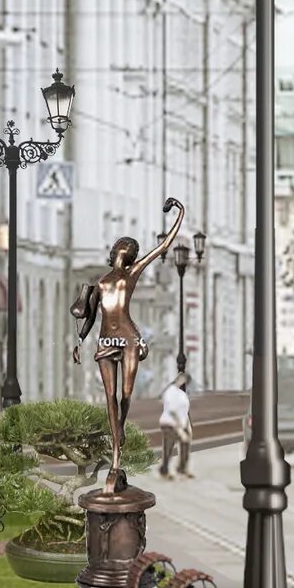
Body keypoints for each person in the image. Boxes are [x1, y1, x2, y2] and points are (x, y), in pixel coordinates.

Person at [71, 198, 184, 488]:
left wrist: (179, 213)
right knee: (108, 396)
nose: (129, 250)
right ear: (117, 250)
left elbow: (162, 247)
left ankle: (118, 440)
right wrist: (79, 341)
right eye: (126, 246)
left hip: (129, 338)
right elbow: (90, 317)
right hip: (105, 339)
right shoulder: (99, 283)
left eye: (132, 249)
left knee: (125, 395)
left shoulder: (131, 274)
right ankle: (117, 445)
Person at [156, 373, 194, 481]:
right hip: (169, 424)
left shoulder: (182, 394)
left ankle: (182, 468)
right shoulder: (170, 391)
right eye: (181, 379)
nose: (183, 382)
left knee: (185, 445)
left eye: (185, 381)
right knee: (168, 447)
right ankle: (164, 470)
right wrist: (179, 429)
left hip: (182, 423)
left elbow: (185, 412)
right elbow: (171, 410)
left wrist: (188, 427)